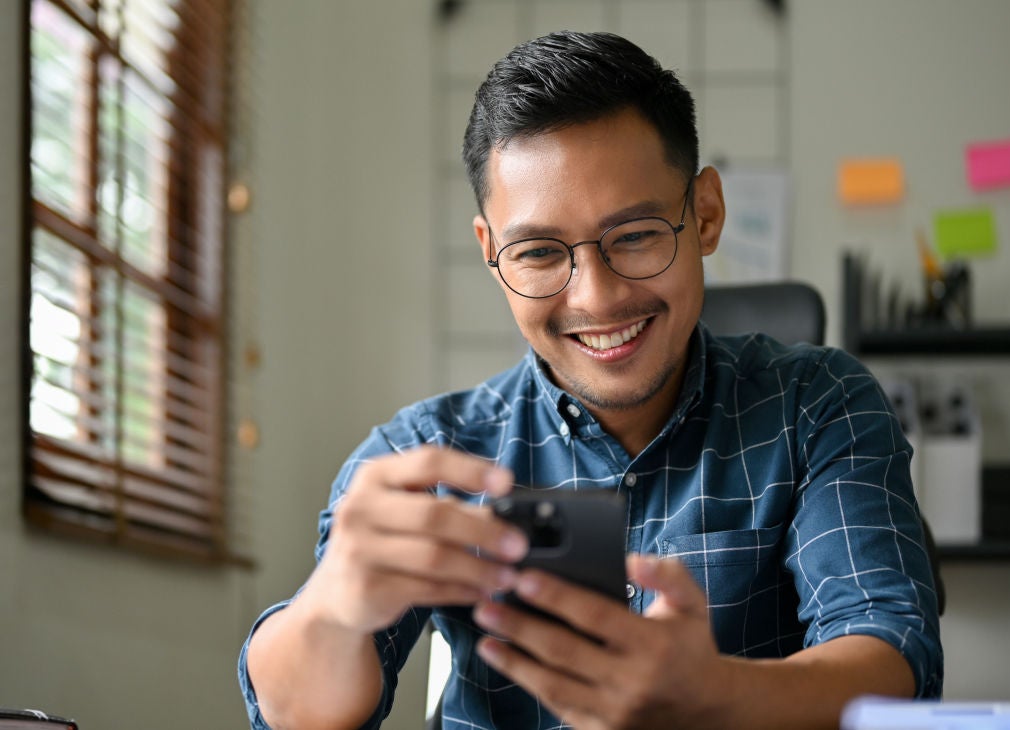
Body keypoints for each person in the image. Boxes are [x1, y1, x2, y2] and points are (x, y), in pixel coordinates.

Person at [238, 30, 943, 730]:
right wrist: (330, 611)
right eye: (540, 251)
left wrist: (716, 695)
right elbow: (301, 715)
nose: (597, 299)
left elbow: (891, 655)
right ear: (490, 250)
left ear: (705, 215)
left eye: (635, 236)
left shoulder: (815, 404)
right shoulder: (427, 454)